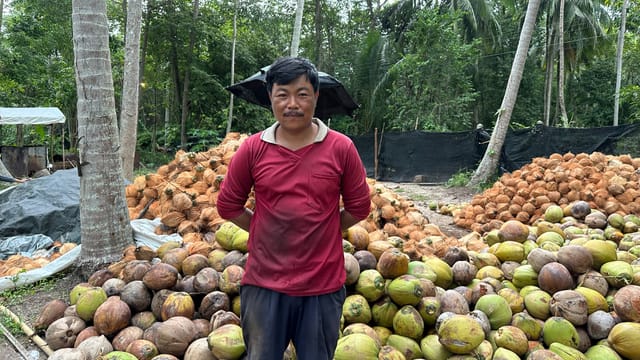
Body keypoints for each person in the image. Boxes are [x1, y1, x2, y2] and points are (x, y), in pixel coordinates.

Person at [216, 56, 371, 359]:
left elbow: (359, 207)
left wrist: (323, 229)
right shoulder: (253, 148)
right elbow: (228, 205)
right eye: (282, 94)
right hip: (264, 285)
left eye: (302, 94)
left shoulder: (341, 148)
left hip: (322, 286)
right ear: (271, 98)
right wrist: (264, 227)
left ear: (315, 96)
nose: (292, 103)